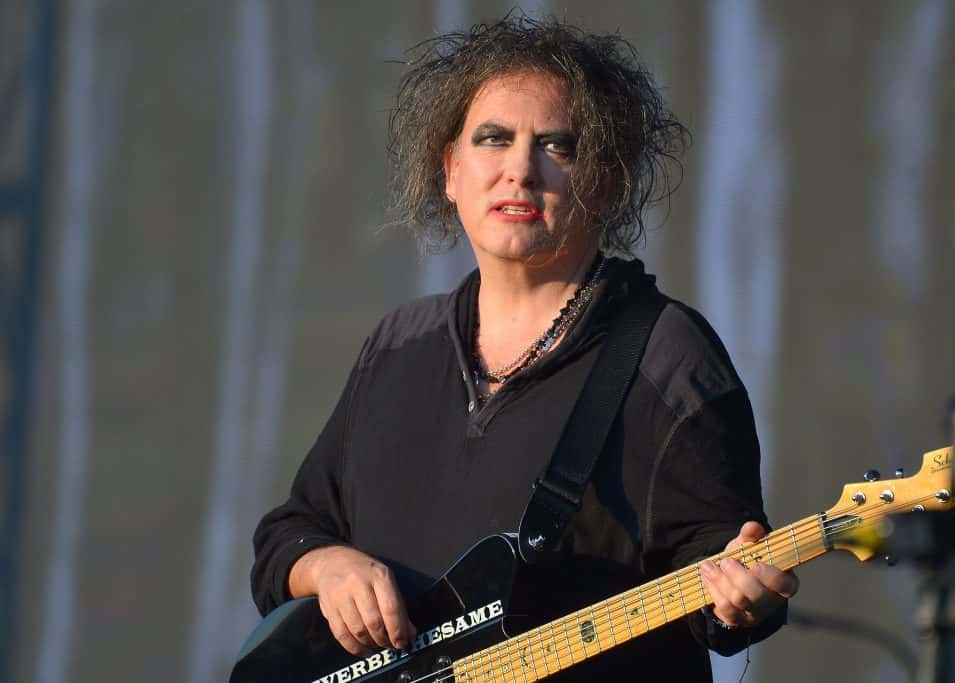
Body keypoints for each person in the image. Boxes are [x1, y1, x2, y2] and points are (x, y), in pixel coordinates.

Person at [250, 14, 798, 682]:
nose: (519, 169)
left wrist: (745, 598)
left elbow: (722, 580)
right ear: (450, 170)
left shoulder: (670, 358)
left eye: (556, 147)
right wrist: (327, 566)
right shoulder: (397, 345)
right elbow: (289, 535)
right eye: (494, 139)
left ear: (602, 182)